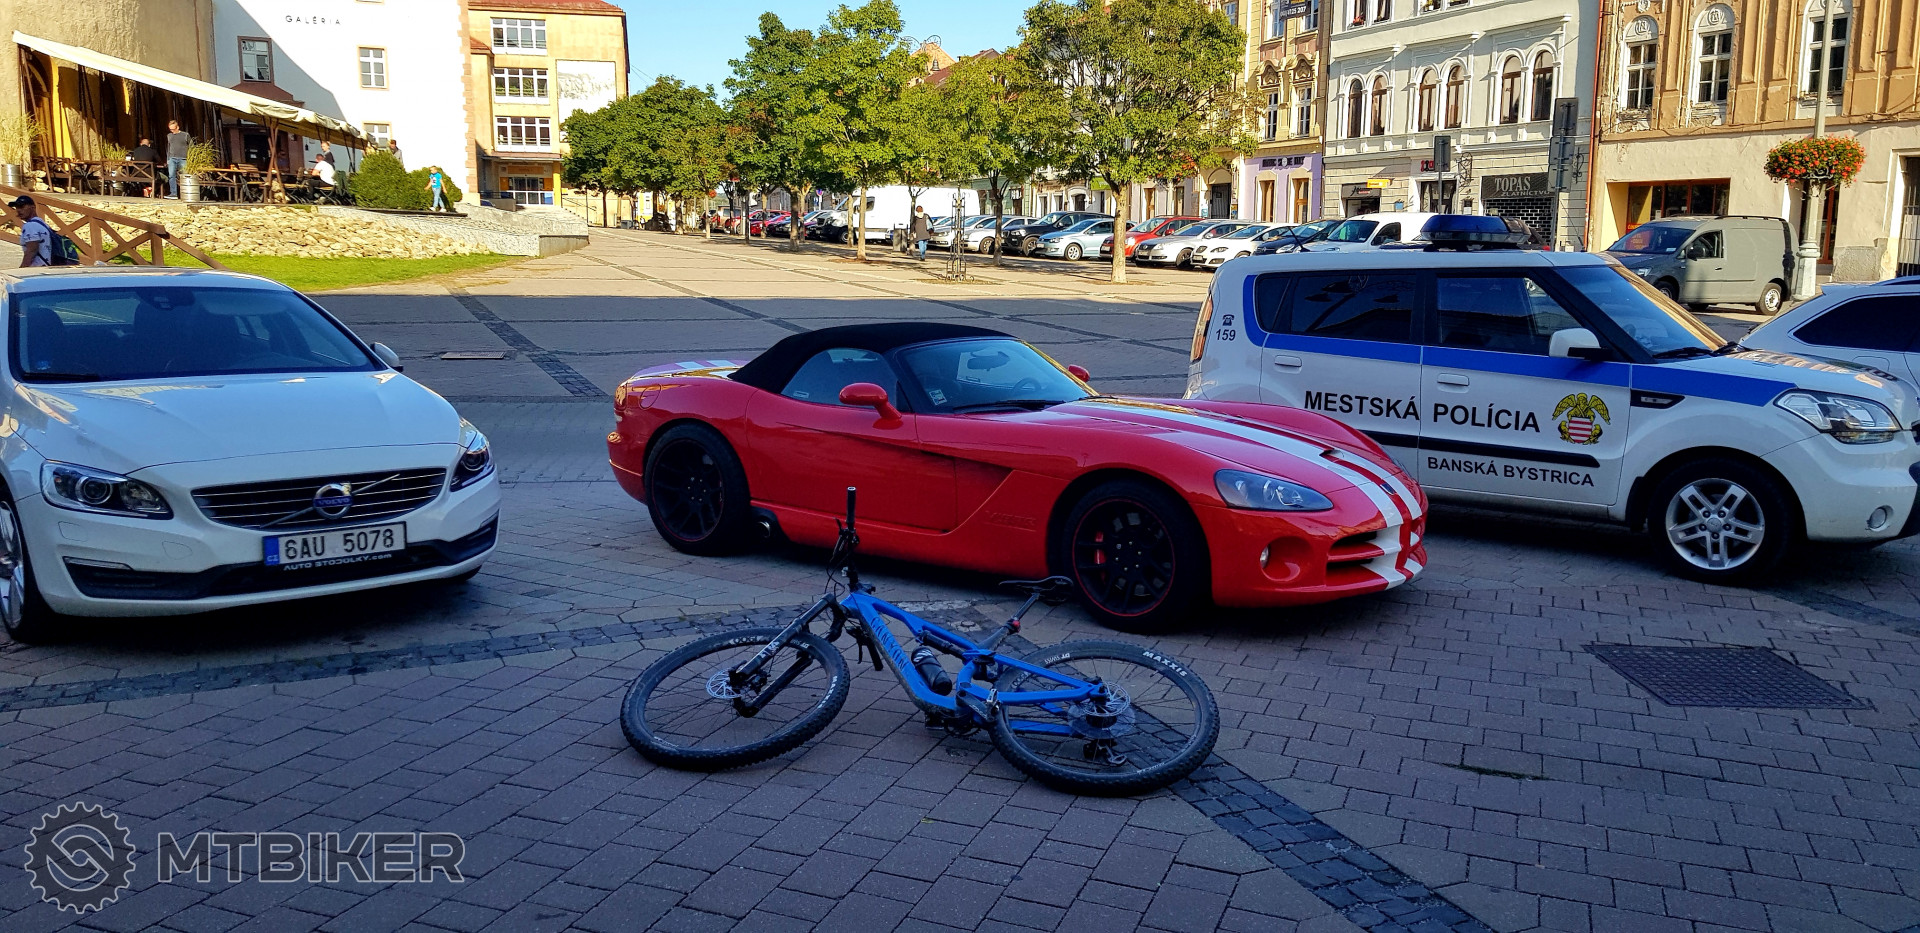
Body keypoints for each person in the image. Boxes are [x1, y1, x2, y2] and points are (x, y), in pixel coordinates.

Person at [11, 196, 51, 267]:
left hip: (36, 268)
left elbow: (32, 250)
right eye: (16, 207)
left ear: (33, 207)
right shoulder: (42, 223)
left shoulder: (30, 226)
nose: (18, 210)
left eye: (22, 207)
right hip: (46, 267)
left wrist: (22, 268)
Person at [163, 120, 191, 199]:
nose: (172, 131)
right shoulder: (169, 136)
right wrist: (168, 159)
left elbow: (191, 145)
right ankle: (173, 193)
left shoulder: (185, 135)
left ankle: (186, 193)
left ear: (177, 127)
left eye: (173, 129)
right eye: (170, 129)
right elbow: (168, 147)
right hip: (172, 158)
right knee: (171, 176)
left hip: (183, 158)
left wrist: (189, 157)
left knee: (184, 176)